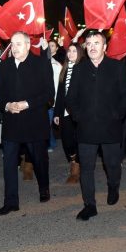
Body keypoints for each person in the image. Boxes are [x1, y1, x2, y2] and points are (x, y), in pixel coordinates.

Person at [66, 30, 126, 220]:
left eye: (97, 43)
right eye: (89, 43)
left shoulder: (116, 67)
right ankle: (90, 204)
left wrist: (117, 115)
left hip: (110, 127)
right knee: (86, 168)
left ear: (104, 47)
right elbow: (70, 98)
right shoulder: (79, 69)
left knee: (112, 165)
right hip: (86, 128)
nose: (93, 47)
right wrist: (78, 116)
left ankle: (113, 187)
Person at [0, 32, 55, 215]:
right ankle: (11, 201)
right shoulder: (5, 65)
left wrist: (26, 104)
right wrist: (7, 105)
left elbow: (48, 93)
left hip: (34, 121)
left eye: (19, 44)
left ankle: (44, 187)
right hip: (12, 122)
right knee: (9, 163)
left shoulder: (40, 63)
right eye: (12, 44)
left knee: (39, 160)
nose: (14, 47)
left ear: (28, 45)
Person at [54, 43, 85, 184]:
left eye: (74, 51)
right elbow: (60, 94)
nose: (71, 54)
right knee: (67, 141)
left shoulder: (83, 68)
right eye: (69, 51)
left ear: (79, 53)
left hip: (79, 112)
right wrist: (56, 113)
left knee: (78, 139)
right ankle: (74, 160)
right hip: (65, 112)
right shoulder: (64, 69)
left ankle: (76, 168)